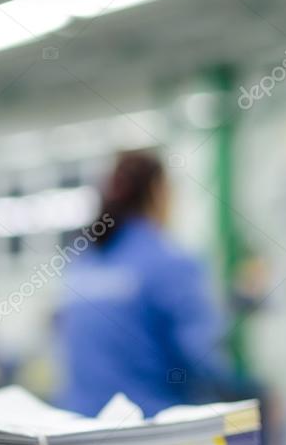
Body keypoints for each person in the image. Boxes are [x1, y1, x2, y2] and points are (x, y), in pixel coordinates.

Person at [57, 150, 254, 417]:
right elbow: (203, 361)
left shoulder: (81, 263)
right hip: (153, 426)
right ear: (157, 191)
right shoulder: (170, 262)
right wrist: (251, 390)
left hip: (82, 425)